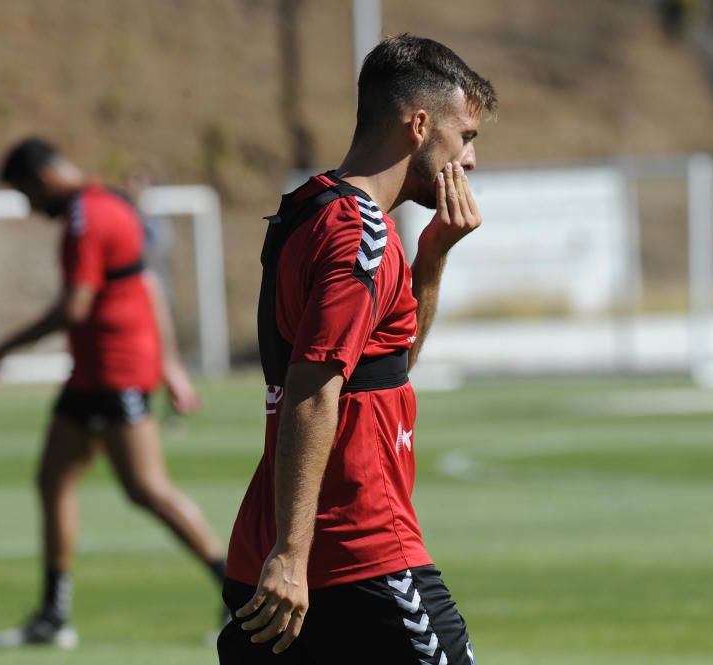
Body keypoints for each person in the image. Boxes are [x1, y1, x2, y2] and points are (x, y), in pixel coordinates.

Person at [217, 34, 497, 664]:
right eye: (466, 137)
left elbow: (385, 369)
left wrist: (431, 257)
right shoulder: (360, 238)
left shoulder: (310, 208)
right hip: (356, 549)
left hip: (277, 549)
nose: (470, 159)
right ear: (420, 125)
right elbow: (314, 395)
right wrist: (294, 554)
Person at [0, 137, 227, 649]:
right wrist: (172, 368)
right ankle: (53, 615)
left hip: (117, 373)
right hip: (92, 374)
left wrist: (4, 347)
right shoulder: (107, 202)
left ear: (44, 178)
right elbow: (148, 287)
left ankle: (242, 598)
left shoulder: (86, 217)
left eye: (28, 196)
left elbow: (75, 307)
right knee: (53, 478)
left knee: (148, 490)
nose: (31, 209)